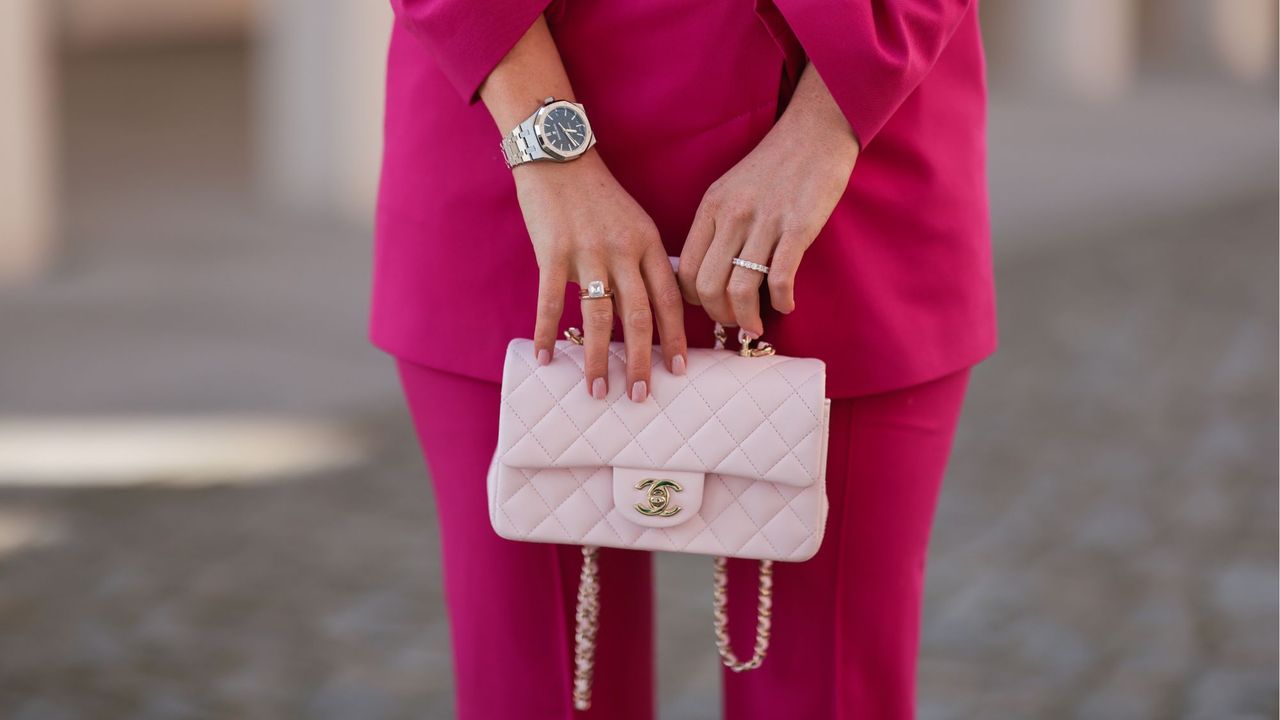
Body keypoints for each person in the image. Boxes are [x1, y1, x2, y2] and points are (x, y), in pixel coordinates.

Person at [371, 1, 996, 717]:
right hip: (515, 151)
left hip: (847, 151)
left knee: (832, 692)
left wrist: (827, 128)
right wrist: (548, 147)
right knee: (536, 688)